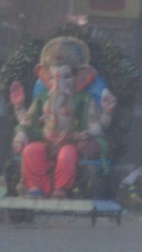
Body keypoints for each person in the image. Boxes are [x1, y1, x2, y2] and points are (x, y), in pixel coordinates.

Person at [10, 36, 116, 198]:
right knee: (30, 151)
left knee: (66, 154)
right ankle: (36, 188)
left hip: (69, 143)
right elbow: (28, 122)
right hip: (46, 140)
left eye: (66, 77)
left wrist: (107, 112)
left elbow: (95, 128)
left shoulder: (83, 99)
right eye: (53, 77)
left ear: (78, 78)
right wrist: (19, 110)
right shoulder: (42, 98)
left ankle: (60, 189)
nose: (59, 84)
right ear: (47, 78)